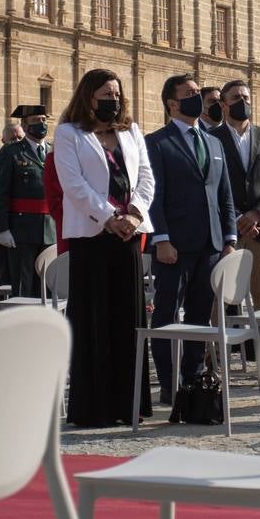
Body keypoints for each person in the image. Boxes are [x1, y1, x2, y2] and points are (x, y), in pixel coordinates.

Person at [53, 68, 155, 426]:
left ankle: (129, 404)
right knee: (94, 317)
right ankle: (94, 406)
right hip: (92, 235)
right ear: (88, 99)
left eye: (116, 95)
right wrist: (110, 216)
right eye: (105, 96)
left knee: (128, 318)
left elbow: (145, 176)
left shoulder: (130, 131)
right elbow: (73, 184)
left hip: (128, 234)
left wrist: (134, 214)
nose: (113, 101)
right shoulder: (69, 133)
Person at [145, 74, 237, 405]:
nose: (199, 98)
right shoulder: (156, 142)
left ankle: (194, 377)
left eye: (199, 92)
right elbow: (153, 196)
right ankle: (170, 382)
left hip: (211, 245)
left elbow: (224, 193)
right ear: (172, 102)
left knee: (200, 314)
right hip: (175, 246)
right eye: (191, 93)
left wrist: (229, 238)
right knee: (167, 315)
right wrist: (162, 238)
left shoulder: (214, 142)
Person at [210, 80, 260, 313]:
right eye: (235, 98)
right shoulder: (212, 139)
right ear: (224, 105)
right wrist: (236, 218)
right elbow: (211, 185)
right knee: (220, 299)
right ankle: (217, 349)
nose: (242, 102)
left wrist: (256, 214)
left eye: (246, 98)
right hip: (227, 231)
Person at [0, 106, 57, 298]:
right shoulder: (11, 152)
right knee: (23, 286)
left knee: (49, 286)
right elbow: (0, 193)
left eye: (44, 120)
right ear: (25, 124)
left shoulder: (55, 151)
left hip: (51, 230)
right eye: (36, 120)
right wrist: (2, 228)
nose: (42, 124)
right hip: (21, 230)